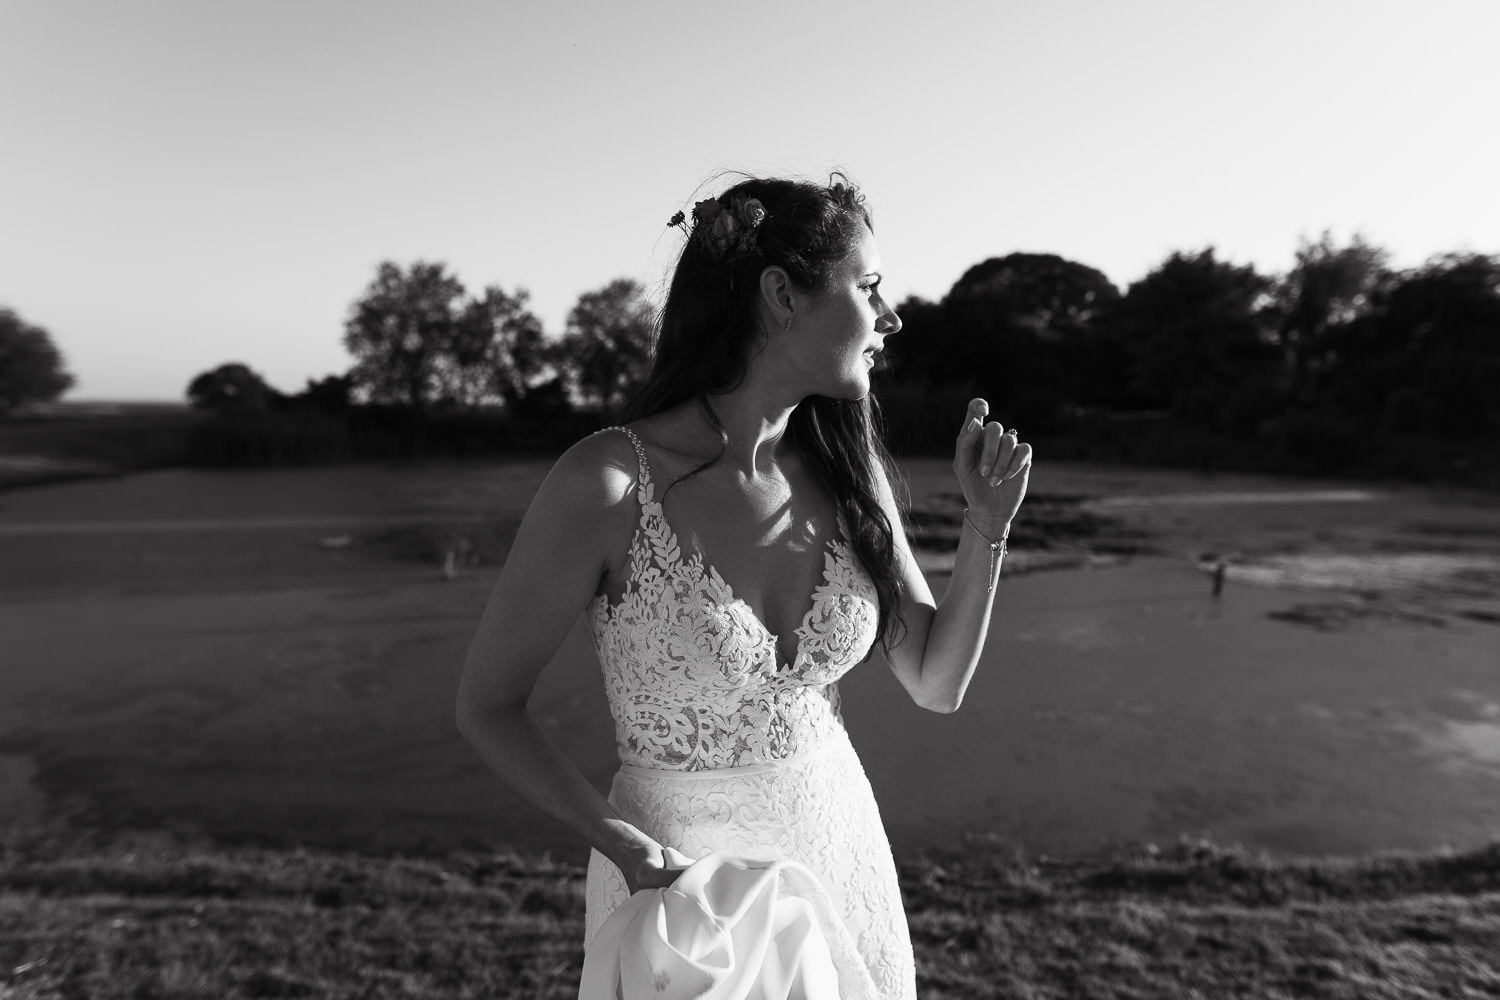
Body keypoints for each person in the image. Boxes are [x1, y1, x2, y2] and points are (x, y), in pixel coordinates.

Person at [455, 174, 1032, 999]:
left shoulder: (848, 471)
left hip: (839, 851)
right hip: (682, 898)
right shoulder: (610, 483)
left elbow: (937, 682)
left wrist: (987, 526)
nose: (891, 316)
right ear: (782, 295)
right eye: (868, 287)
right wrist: (625, 847)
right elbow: (486, 706)